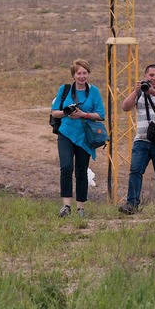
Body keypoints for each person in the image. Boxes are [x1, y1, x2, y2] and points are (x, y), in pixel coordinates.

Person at [118, 64, 155, 215]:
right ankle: (131, 204)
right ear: (146, 76)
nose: (154, 78)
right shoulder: (139, 92)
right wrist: (136, 91)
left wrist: (153, 92)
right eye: (151, 75)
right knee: (135, 171)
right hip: (142, 140)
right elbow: (125, 107)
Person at [50, 59, 105, 217]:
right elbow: (54, 112)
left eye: (84, 73)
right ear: (73, 75)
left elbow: (101, 115)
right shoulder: (65, 89)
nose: (82, 76)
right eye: (79, 73)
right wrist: (67, 113)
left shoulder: (94, 92)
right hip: (66, 133)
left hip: (84, 136)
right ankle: (66, 206)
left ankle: (81, 208)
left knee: (81, 171)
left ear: (88, 74)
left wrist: (83, 115)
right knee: (66, 167)